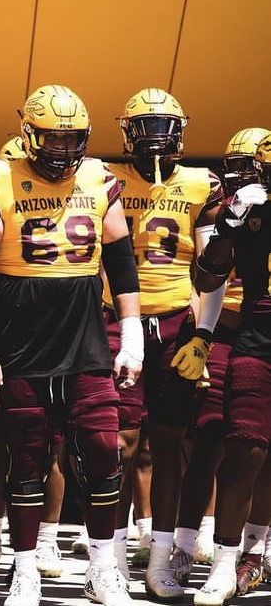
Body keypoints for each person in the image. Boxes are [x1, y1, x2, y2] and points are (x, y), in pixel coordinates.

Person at [0, 85, 141, 606]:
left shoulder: (99, 179)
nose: (62, 149)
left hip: (84, 339)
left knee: (106, 449)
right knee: (27, 458)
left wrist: (131, 336)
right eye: (52, 138)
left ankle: (103, 566)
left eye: (71, 138)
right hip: (22, 343)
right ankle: (26, 567)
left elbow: (122, 262)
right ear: (29, 134)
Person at [100, 89, 223, 599]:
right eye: (145, 126)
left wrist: (202, 334)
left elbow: (214, 270)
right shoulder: (100, 177)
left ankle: (162, 555)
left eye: (164, 126)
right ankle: (111, 555)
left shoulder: (201, 185)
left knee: (169, 443)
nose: (155, 138)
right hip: (113, 318)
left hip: (174, 319)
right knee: (119, 443)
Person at [192, 131, 271, 605]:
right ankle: (224, 561)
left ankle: (255, 552)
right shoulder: (251, 208)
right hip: (258, 335)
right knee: (244, 449)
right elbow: (207, 276)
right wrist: (228, 224)